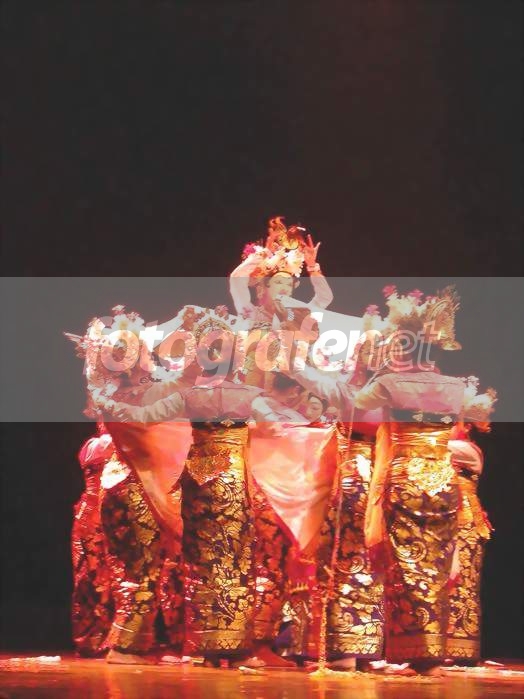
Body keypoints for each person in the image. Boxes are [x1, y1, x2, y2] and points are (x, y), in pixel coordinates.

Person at [354, 286, 468, 675]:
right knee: (437, 564)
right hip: (442, 479)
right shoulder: (456, 387)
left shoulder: (390, 383)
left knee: (406, 565)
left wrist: (370, 369)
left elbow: (356, 406)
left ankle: (416, 650)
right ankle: (431, 653)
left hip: (405, 476)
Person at [71, 424, 114, 657]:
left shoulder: (93, 444)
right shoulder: (102, 444)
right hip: (99, 514)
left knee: (90, 576)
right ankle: (97, 639)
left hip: (89, 513)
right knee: (98, 576)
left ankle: (92, 638)